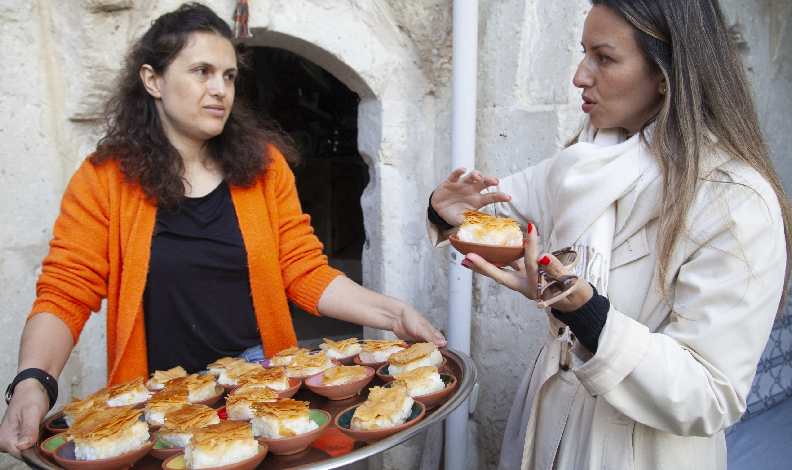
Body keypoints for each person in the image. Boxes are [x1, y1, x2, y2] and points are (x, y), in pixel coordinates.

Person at [0, 3, 445, 461]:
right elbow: (65, 292)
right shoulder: (104, 180)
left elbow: (303, 270)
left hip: (258, 387)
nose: (220, 90)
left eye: (229, 76)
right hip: (158, 405)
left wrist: (392, 316)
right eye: (202, 71)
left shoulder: (264, 167)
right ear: (152, 80)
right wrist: (33, 381)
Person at [428, 0, 791, 469]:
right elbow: (496, 204)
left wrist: (587, 314)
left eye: (605, 57)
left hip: (639, 451)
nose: (580, 76)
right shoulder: (583, 161)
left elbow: (711, 393)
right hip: (548, 430)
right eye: (584, 53)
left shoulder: (736, 201)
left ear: (666, 73)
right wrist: (447, 209)